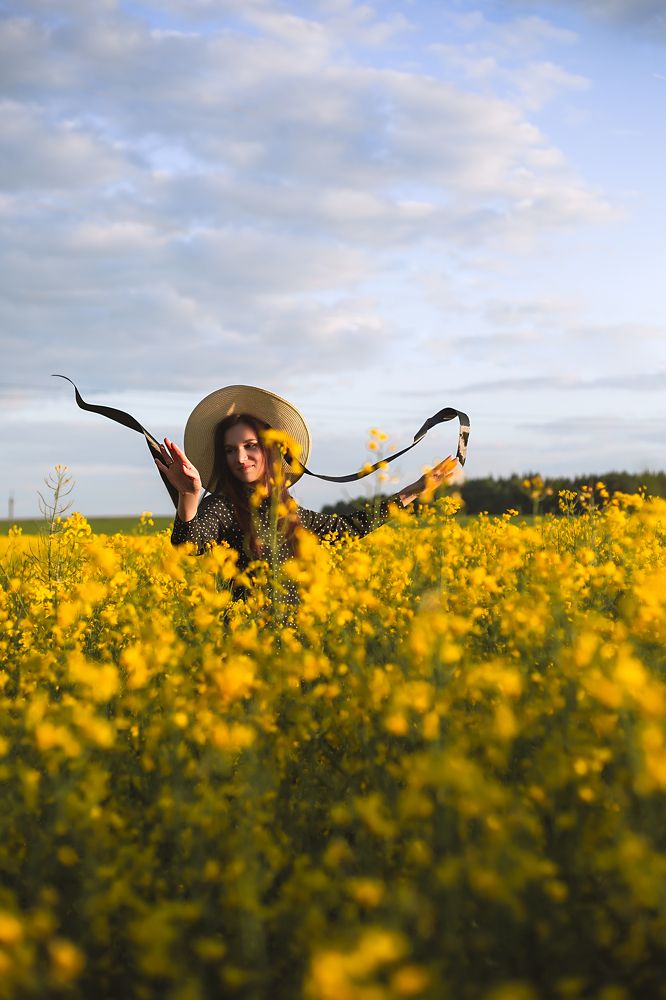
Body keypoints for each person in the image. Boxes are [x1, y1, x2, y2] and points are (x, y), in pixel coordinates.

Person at [156, 384, 458, 580]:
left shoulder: (286, 510)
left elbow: (345, 530)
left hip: (296, 650)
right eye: (230, 450)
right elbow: (189, 545)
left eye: (250, 446)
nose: (240, 457)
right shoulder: (221, 506)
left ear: (269, 448)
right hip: (245, 657)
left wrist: (416, 490)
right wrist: (189, 496)